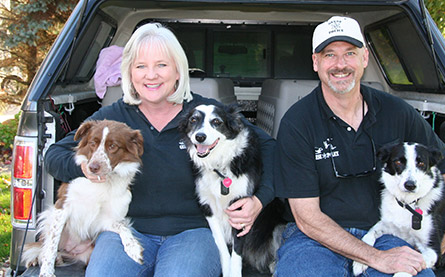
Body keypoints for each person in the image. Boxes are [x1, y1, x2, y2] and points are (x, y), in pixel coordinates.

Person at [44, 23, 275, 276]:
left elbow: (271, 148)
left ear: (178, 70)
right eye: (141, 66)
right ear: (129, 72)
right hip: (127, 229)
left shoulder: (205, 114)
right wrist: (85, 168)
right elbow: (54, 155)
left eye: (161, 65)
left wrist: (259, 200)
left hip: (194, 233)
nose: (150, 75)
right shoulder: (113, 117)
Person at [273, 16, 445, 276]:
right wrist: (376, 258)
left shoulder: (398, 112)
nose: (341, 65)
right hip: (314, 240)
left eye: (349, 53)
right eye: (329, 55)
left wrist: (439, 240)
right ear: (315, 62)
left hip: (390, 232)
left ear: (364, 58)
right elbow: (307, 218)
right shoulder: (298, 122)